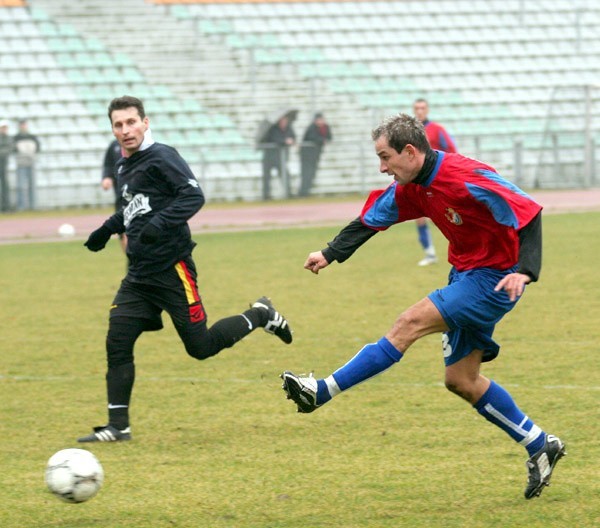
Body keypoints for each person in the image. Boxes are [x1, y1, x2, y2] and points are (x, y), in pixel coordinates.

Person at [281, 114, 565, 499]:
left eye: (385, 157)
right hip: (463, 274)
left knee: (408, 323)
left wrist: (527, 271)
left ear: (410, 152)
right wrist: (330, 253)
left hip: (496, 278)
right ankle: (540, 444)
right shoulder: (410, 185)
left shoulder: (466, 175)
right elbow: (370, 220)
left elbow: (528, 211)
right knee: (461, 381)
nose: (383, 168)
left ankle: (321, 391)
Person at [78, 96, 293, 443]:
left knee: (200, 346)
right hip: (138, 277)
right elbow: (132, 210)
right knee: (117, 340)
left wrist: (158, 225)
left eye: (131, 122)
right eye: (118, 125)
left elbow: (193, 197)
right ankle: (118, 427)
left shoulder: (163, 157)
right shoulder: (123, 166)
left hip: (173, 270)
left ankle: (259, 314)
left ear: (145, 123)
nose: (125, 130)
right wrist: (107, 229)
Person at [412, 98, 457, 266]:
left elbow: (451, 150)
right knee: (420, 217)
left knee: (449, 214)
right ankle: (430, 253)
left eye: (422, 108)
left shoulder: (437, 130)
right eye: (417, 108)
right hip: (419, 180)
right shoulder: (411, 132)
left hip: (439, 179)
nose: (420, 111)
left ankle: (461, 249)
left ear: (427, 110)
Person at [260, 116, 295, 200]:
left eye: (285, 121)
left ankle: (288, 193)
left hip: (280, 157)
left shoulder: (289, 128)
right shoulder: (273, 129)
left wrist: (291, 140)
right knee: (267, 177)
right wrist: (285, 141)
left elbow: (293, 137)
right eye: (282, 121)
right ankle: (266, 195)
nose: (284, 122)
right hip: (269, 156)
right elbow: (274, 139)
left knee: (285, 175)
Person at [102, 138, 127, 252]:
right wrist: (107, 177)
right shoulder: (114, 145)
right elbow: (108, 164)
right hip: (121, 198)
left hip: (139, 198)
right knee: (123, 233)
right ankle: (132, 261)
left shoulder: (144, 146)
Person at [299, 113, 332, 197]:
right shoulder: (312, 128)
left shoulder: (325, 127)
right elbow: (312, 138)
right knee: (306, 174)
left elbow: (329, 137)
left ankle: (306, 191)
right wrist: (322, 140)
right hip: (307, 155)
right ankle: (303, 192)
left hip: (316, 154)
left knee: (312, 173)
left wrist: (324, 140)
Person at [13, 118, 41, 211]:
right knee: (21, 186)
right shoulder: (16, 138)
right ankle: (21, 206)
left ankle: (33, 206)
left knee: (32, 186)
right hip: (21, 164)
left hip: (31, 163)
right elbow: (14, 149)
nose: (23, 126)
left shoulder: (32, 137)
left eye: (24, 124)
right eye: (21, 125)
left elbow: (38, 148)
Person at [0, 120, 11, 212]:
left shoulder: (9, 138)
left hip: (4, 165)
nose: (4, 129)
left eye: (5, 128)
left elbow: (10, 148)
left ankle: (6, 206)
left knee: (5, 186)